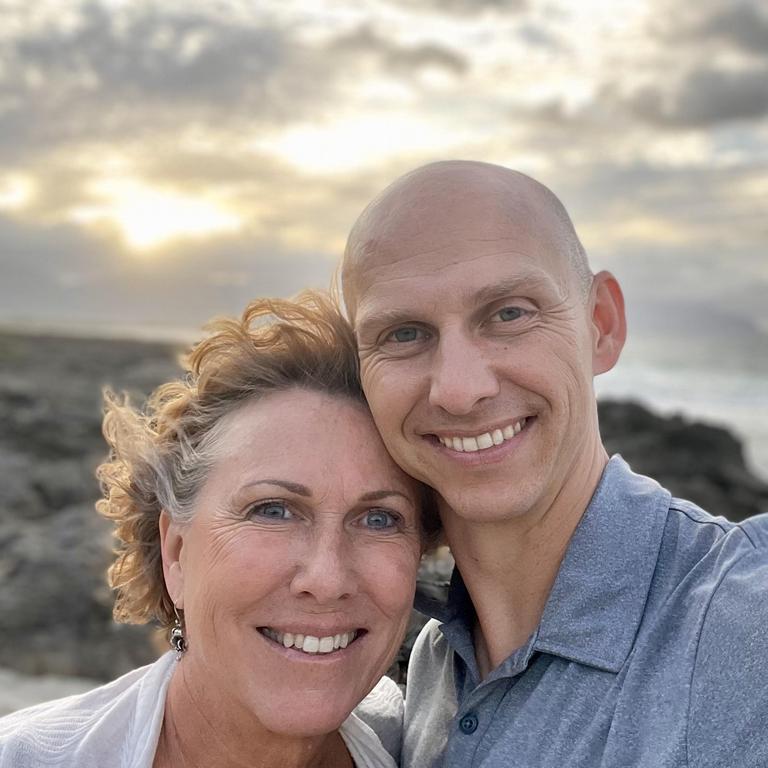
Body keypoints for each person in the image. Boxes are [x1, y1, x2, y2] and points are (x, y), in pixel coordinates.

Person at [341, 160, 768, 767]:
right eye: (404, 334)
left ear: (602, 325)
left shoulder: (744, 622)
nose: (459, 390)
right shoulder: (435, 660)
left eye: (509, 313)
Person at [0, 291, 437, 768]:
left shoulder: (411, 738)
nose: (327, 579)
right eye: (273, 510)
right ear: (176, 553)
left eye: (380, 519)